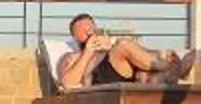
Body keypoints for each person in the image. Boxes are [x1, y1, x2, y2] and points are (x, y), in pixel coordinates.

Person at [58, 12, 186, 88]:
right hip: (101, 85)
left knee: (126, 47)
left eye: (91, 27)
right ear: (75, 37)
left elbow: (141, 55)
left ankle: (169, 65)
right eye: (82, 30)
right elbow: (68, 83)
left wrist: (109, 47)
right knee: (124, 45)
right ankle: (171, 66)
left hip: (124, 76)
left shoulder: (113, 48)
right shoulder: (71, 57)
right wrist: (88, 51)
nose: (89, 31)